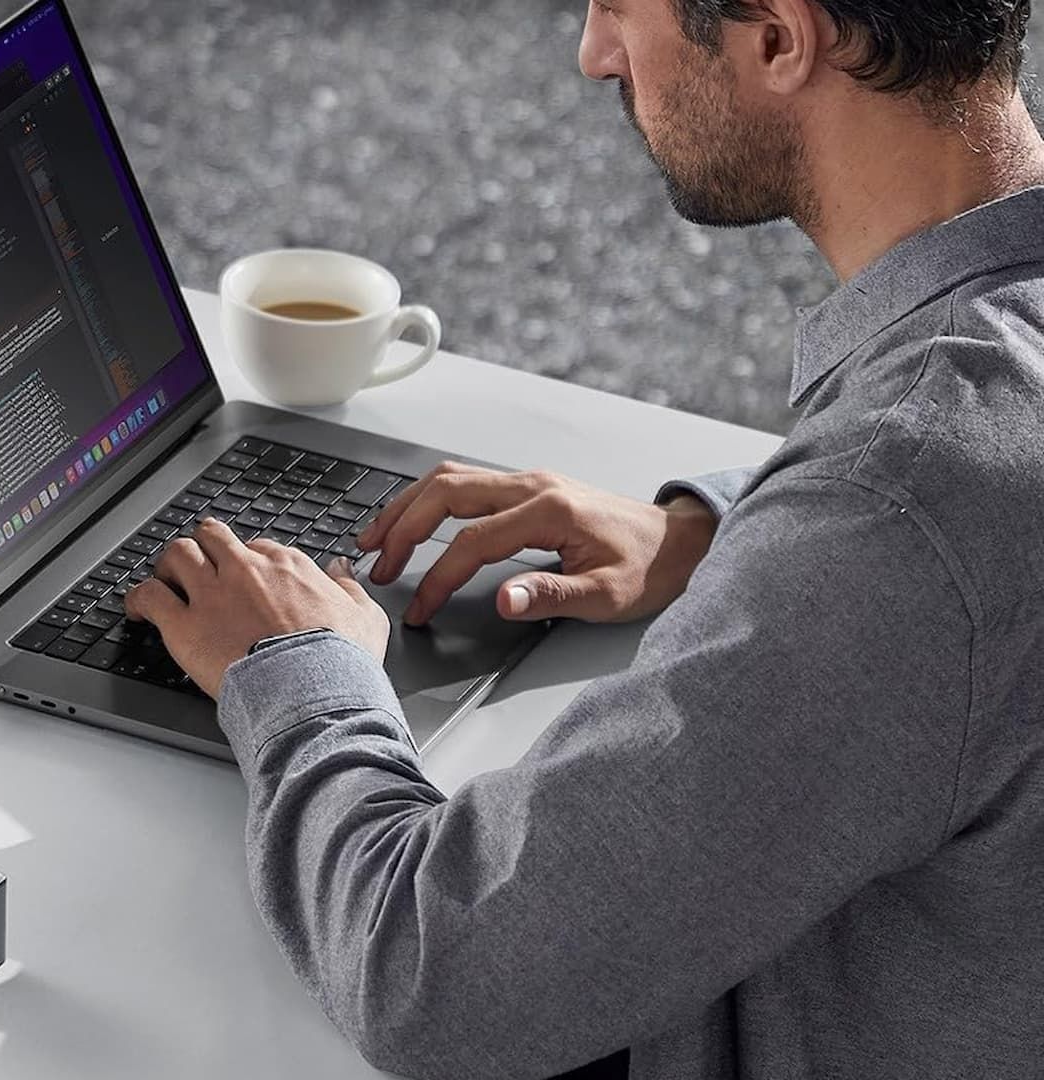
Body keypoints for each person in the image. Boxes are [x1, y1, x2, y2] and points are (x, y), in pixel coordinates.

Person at [124, 0, 1044, 1077]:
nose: (593, 52)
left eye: (618, 7)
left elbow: (438, 979)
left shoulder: (905, 508)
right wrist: (732, 532)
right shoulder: (967, 424)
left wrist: (295, 672)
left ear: (781, 38)